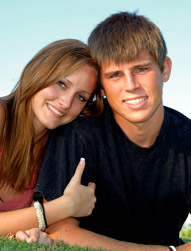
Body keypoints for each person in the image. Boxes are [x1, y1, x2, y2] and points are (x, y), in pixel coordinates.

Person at [36, 11, 191, 250]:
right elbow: (58, 230)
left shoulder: (187, 137)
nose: (131, 86)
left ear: (165, 69)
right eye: (115, 75)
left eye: (141, 69)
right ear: (102, 87)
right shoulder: (79, 132)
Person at [0, 39, 104, 243]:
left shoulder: (60, 147)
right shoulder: (2, 116)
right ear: (37, 72)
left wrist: (37, 234)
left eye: (81, 97)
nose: (66, 103)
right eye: (61, 83)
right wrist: (65, 206)